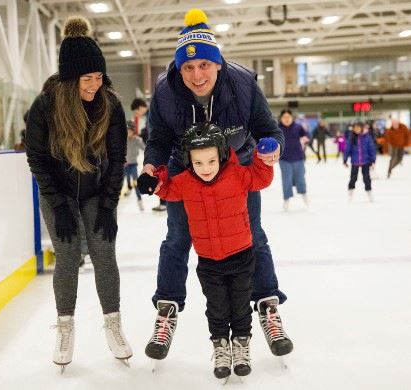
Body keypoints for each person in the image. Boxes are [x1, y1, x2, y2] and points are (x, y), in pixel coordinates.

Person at [137, 8, 293, 362]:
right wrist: (151, 165)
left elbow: (270, 131)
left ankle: (267, 305)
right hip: (185, 167)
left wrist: (272, 150)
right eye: (188, 67)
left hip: (236, 166)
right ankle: (167, 309)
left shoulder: (242, 85)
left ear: (218, 64)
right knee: (178, 237)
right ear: (180, 68)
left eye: (204, 65)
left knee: (252, 233)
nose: (196, 74)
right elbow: (158, 138)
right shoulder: (165, 91)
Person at [24, 16, 132, 369]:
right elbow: (37, 159)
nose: (95, 85)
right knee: (68, 255)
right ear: (72, 80)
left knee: (104, 253)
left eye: (99, 77)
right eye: (88, 79)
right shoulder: (46, 106)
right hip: (59, 192)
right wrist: (59, 204)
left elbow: (118, 159)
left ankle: (114, 324)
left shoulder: (110, 104)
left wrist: (108, 203)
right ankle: (65, 327)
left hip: (97, 192)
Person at [144, 123, 276, 379]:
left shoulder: (237, 175)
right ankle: (221, 347)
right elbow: (167, 189)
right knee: (216, 309)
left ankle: (240, 346)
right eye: (199, 163)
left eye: (211, 161)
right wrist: (153, 181)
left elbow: (261, 178)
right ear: (189, 161)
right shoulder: (185, 182)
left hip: (241, 256)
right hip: (209, 262)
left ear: (222, 156)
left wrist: (264, 157)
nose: (206, 168)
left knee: (239, 307)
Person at [278, 109, 309, 211]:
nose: (286, 119)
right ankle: (286, 199)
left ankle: (304, 194)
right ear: (281, 118)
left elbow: (307, 135)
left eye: (288, 117)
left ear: (292, 118)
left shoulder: (298, 127)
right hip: (284, 159)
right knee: (286, 180)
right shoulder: (277, 129)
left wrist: (306, 138)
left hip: (298, 158)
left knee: (300, 178)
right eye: (284, 117)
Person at [343, 121, 376, 202]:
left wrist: (373, 160)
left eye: (358, 127)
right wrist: (345, 159)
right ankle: (350, 192)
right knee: (353, 178)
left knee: (367, 178)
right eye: (355, 128)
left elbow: (371, 149)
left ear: (362, 128)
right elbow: (347, 149)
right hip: (355, 161)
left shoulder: (367, 137)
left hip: (366, 161)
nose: (356, 129)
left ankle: (369, 192)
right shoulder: (351, 137)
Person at [123, 121, 145, 211]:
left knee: (135, 183)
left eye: (129, 131)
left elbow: (145, 148)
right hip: (124, 165)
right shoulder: (123, 139)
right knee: (118, 181)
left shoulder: (137, 140)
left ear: (133, 131)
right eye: (126, 131)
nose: (128, 133)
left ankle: (139, 200)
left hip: (133, 165)